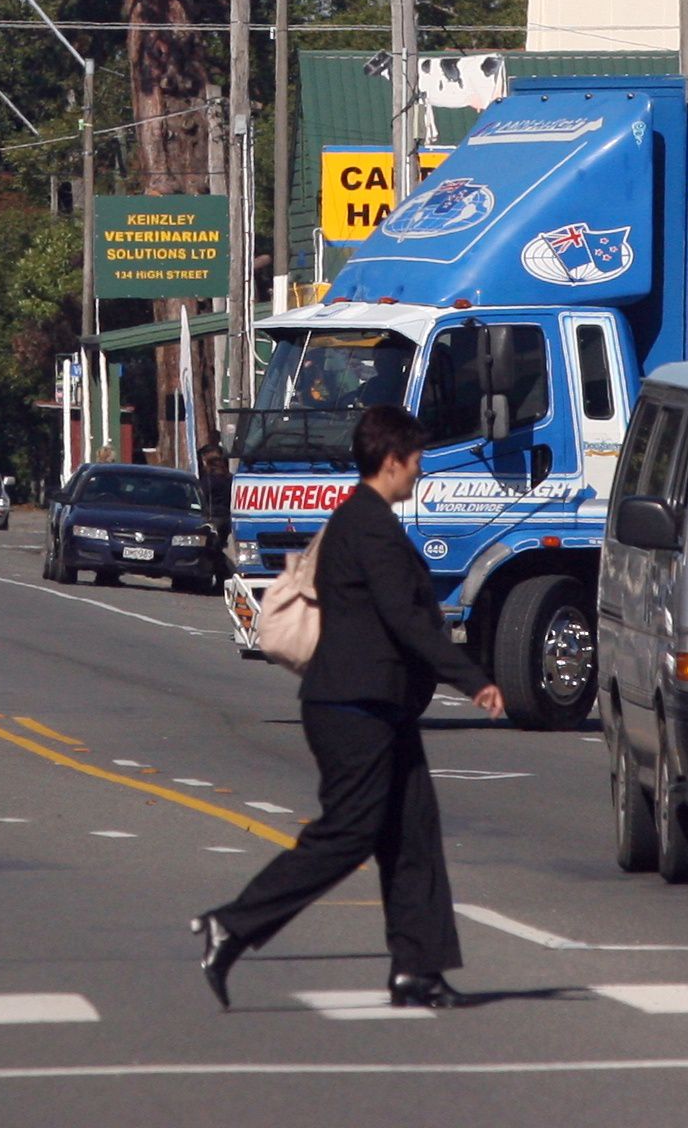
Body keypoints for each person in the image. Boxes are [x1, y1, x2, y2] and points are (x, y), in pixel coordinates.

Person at [192, 403, 505, 1014]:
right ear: (391, 462)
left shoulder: (359, 521)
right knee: (349, 832)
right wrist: (473, 680)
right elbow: (407, 620)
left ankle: (417, 970)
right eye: (414, 462)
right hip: (352, 708)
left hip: (379, 706)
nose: (419, 473)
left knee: (413, 833)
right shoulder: (370, 528)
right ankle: (231, 925)